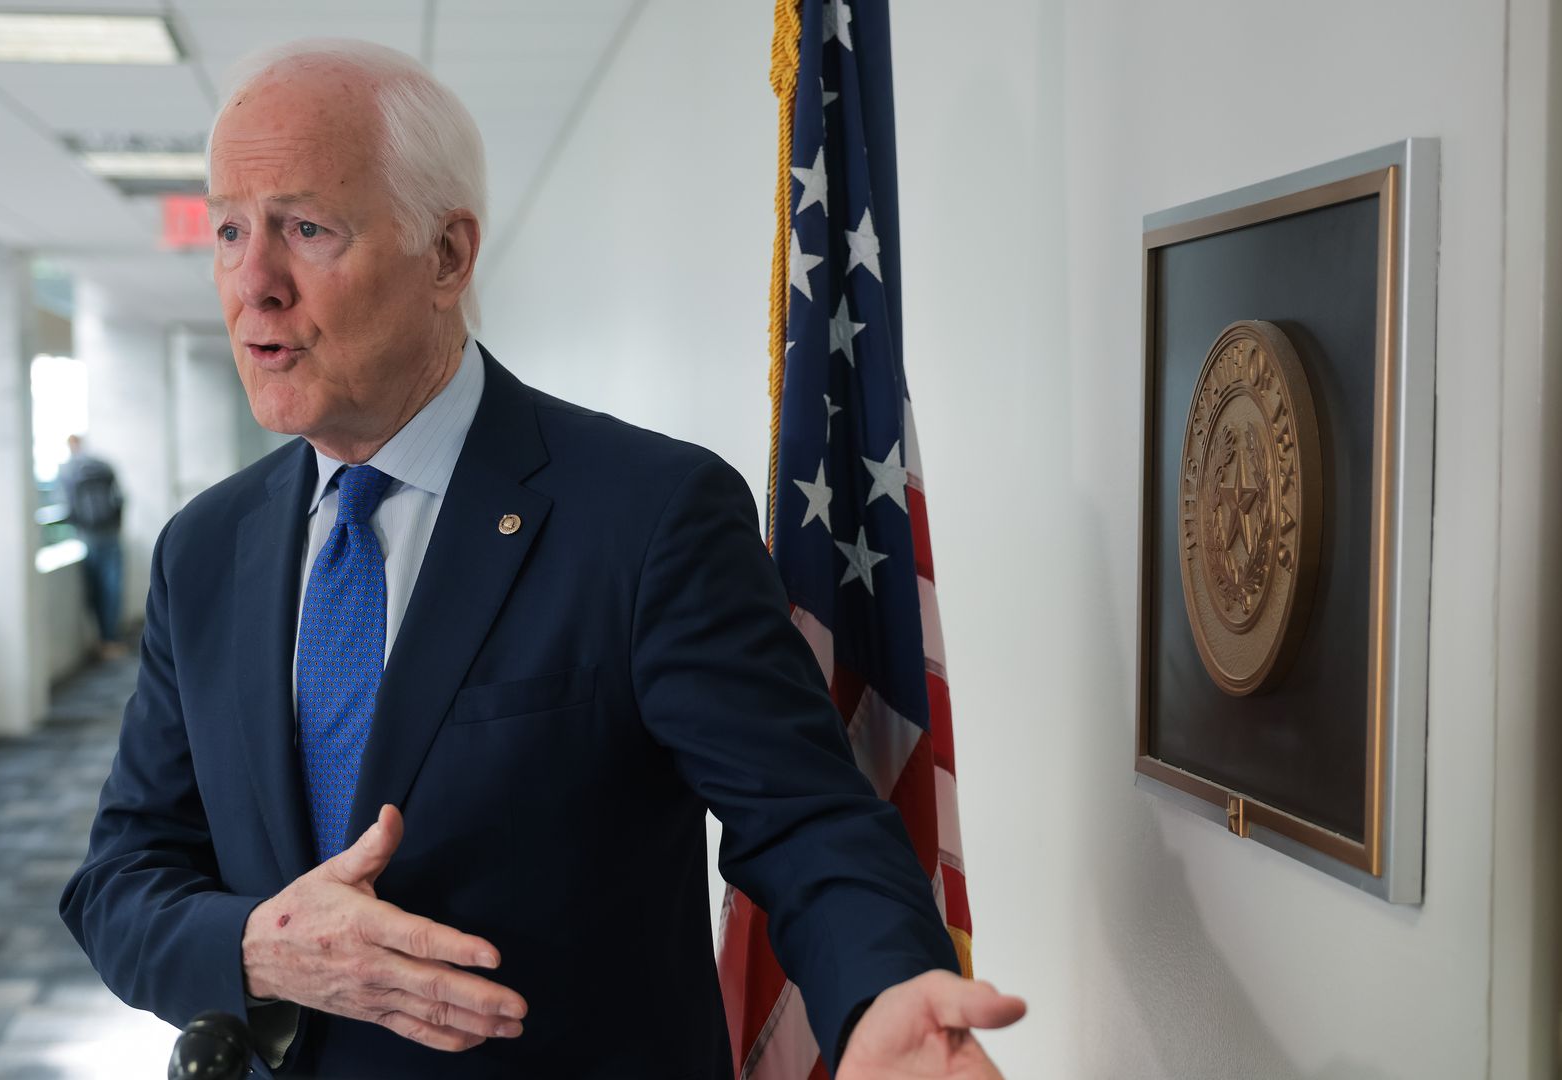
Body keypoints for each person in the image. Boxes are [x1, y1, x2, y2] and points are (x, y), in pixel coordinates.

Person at [58, 39, 1024, 1079]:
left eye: (306, 229)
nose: (255, 283)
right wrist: (260, 951)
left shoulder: (648, 516)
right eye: (229, 230)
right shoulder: (203, 549)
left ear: (447, 257)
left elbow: (802, 819)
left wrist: (883, 991)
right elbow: (121, 880)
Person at [58, 433, 126, 655]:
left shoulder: (67, 470)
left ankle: (103, 639)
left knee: (95, 588)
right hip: (111, 533)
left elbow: (68, 506)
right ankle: (111, 638)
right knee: (112, 586)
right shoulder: (102, 464)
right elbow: (120, 497)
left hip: (87, 535)